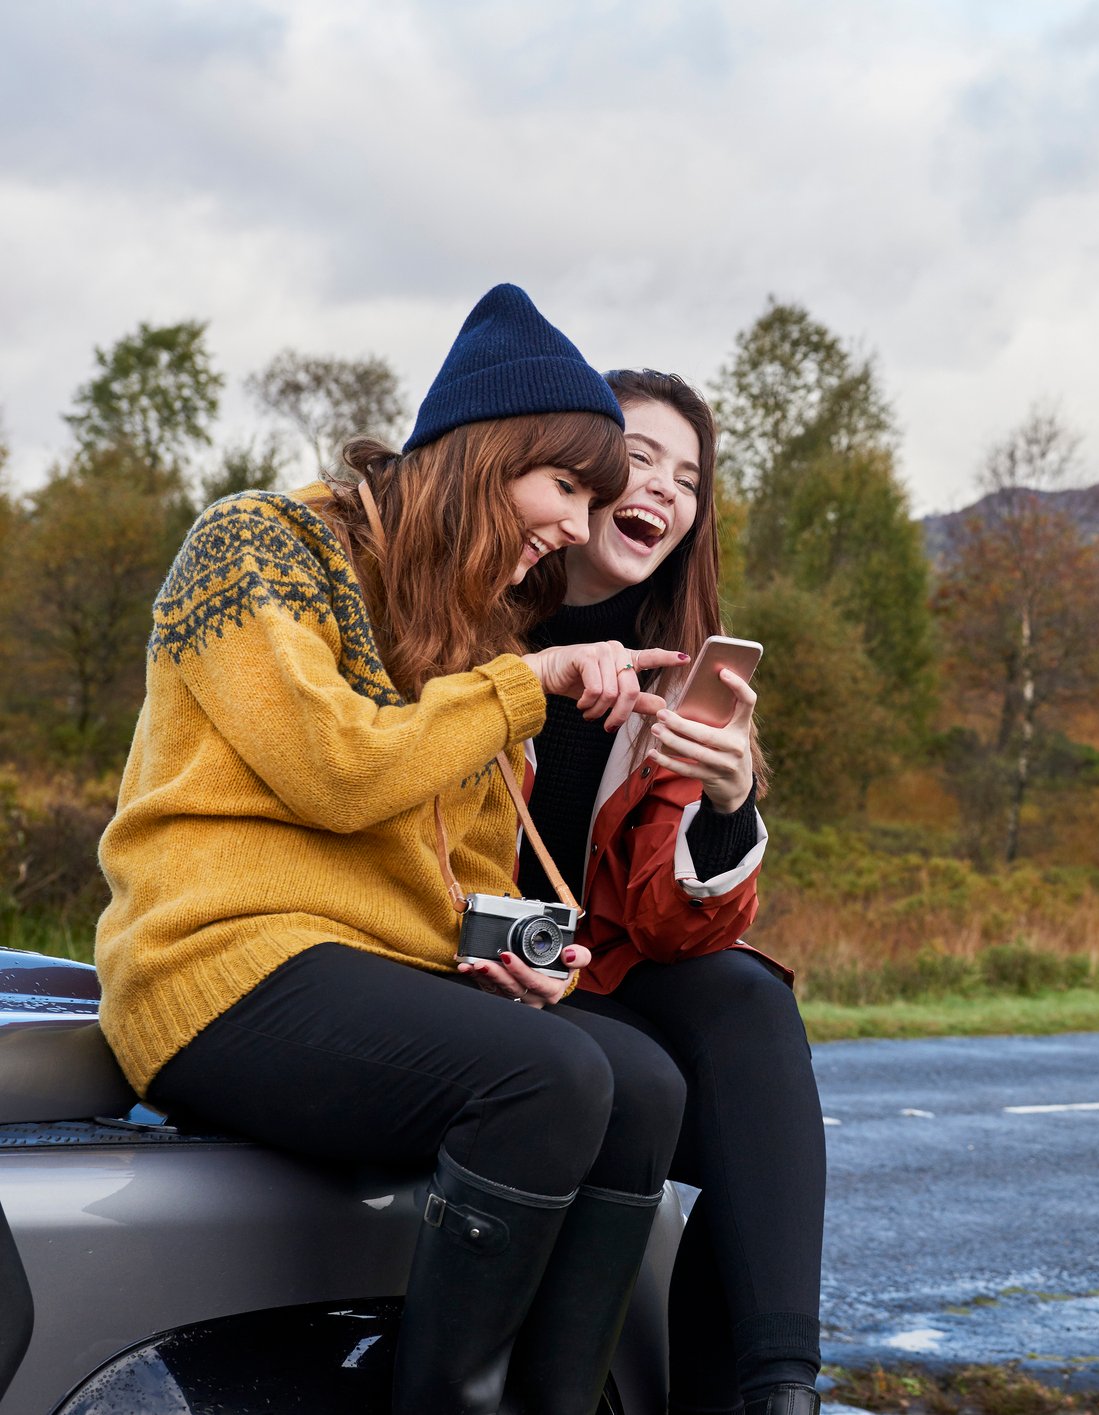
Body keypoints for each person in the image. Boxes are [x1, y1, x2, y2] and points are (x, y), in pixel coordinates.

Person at [96, 286, 692, 1415]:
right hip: (214, 964)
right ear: (483, 452)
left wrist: (504, 956)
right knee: (551, 1077)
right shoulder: (257, 544)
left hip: (368, 976)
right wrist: (534, 683)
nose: (573, 525)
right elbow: (337, 769)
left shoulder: (469, 631)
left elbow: (463, 867)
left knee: (643, 1084)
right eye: (564, 485)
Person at [506, 368, 825, 1415]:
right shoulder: (470, 616)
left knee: (746, 996)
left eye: (688, 478)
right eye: (638, 458)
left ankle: (774, 1390)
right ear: (571, 472)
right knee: (677, 1090)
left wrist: (726, 803)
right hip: (460, 954)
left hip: (587, 964)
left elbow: (675, 923)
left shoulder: (680, 670)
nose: (662, 489)